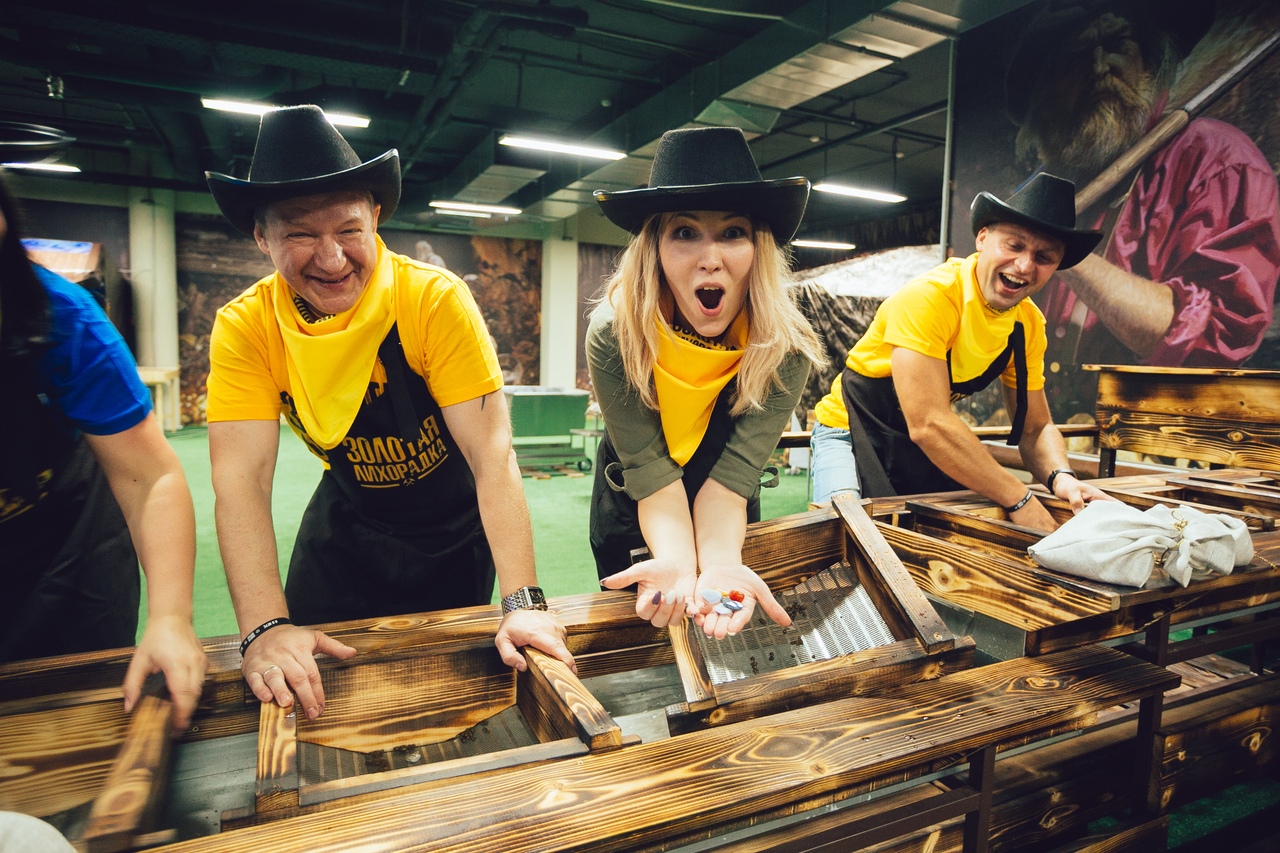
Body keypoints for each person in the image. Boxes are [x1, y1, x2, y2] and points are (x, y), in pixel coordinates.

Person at [204, 106, 575, 721]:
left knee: (445, 701)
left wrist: (524, 602)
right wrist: (264, 627)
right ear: (261, 238)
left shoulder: (431, 300)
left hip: (452, 533)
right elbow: (241, 479)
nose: (331, 258)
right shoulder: (247, 326)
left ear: (375, 217)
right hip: (346, 526)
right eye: (299, 235)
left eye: (349, 229)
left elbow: (490, 454)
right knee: (315, 693)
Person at [588, 126, 827, 638]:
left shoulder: (784, 349)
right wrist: (677, 564)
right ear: (654, 247)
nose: (711, 257)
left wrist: (718, 566)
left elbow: (729, 485)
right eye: (685, 232)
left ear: (758, 247)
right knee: (643, 641)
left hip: (727, 509)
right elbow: (652, 476)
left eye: (733, 232)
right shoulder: (615, 335)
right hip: (638, 503)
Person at [0, 171, 206, 732]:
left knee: (72, 721)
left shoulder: (66, 322)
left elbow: (150, 478)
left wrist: (171, 617)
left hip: (63, 548)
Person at [1006, 0, 1280, 415]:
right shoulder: (1061, 179)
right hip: (1053, 431)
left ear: (1151, 61)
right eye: (1078, 55)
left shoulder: (1217, 160)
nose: (1100, 67)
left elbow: (1210, 337)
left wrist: (1062, 249)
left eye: (1118, 44)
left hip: (1156, 435)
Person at [810, 173, 1112, 531]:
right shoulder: (931, 297)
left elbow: (1036, 426)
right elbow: (928, 423)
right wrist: (1019, 498)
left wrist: (1061, 477)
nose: (1024, 266)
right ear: (982, 238)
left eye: (1044, 256)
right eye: (1014, 246)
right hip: (848, 431)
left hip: (916, 443)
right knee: (843, 534)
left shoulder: (1028, 325)